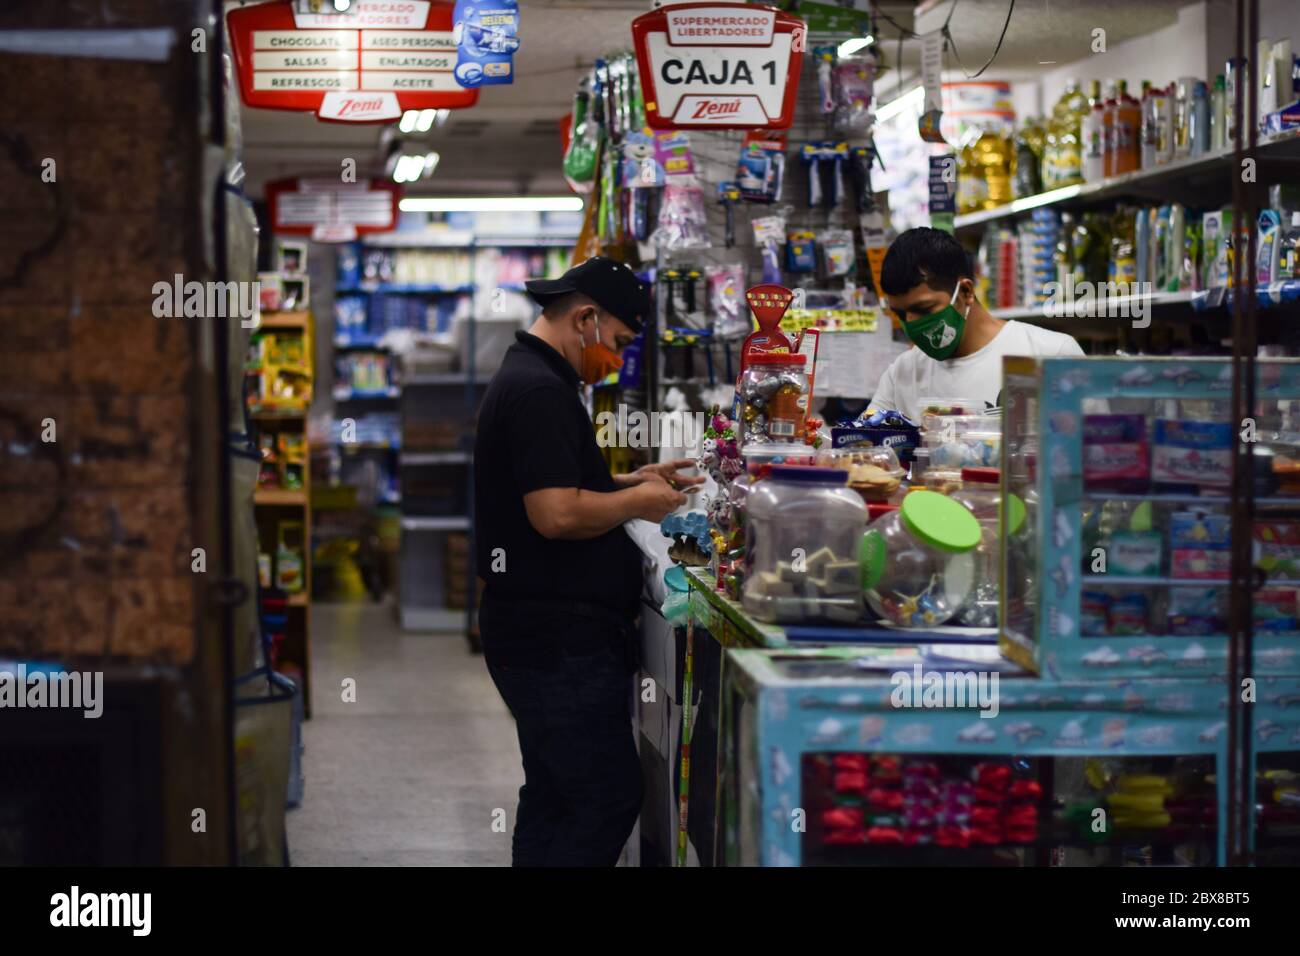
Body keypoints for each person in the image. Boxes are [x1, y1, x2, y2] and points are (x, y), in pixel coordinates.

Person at [473, 255, 704, 866]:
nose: (619, 360)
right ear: (586, 318)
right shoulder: (538, 390)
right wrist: (640, 502)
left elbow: (557, 483)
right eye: (620, 343)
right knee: (603, 795)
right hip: (555, 640)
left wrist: (632, 479)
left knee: (555, 793)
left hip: (540, 631)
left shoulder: (536, 377)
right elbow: (554, 514)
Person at [870, 227, 1084, 419]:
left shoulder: (1052, 354)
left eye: (923, 310)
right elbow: (863, 447)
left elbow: (1095, 447)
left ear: (966, 292)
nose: (911, 324)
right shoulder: (902, 373)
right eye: (900, 313)